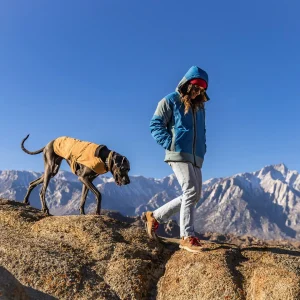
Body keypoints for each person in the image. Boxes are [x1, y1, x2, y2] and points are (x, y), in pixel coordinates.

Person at [142, 66, 210, 253]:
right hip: (178, 153)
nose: (198, 92)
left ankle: (154, 216)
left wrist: (202, 148)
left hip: (196, 156)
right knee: (190, 190)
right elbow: (155, 124)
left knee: (194, 195)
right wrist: (169, 143)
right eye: (195, 87)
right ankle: (187, 236)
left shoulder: (200, 108)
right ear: (187, 84)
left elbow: (201, 131)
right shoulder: (170, 100)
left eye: (202, 90)